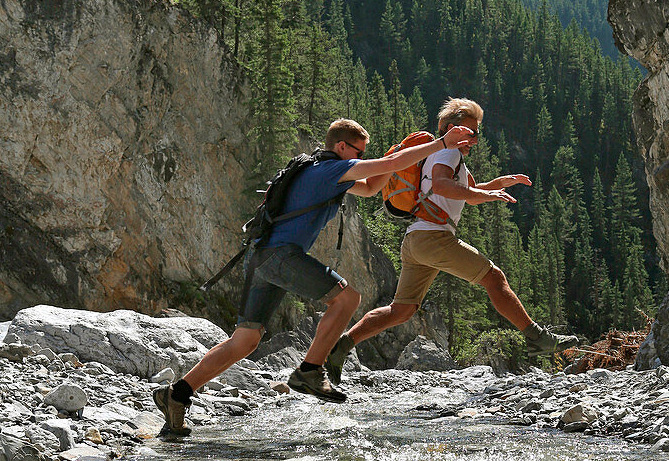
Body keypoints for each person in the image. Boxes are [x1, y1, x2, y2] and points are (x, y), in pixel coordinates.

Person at [153, 117, 475, 434]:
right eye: (358, 153)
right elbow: (380, 168)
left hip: (262, 256)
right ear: (340, 146)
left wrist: (396, 158)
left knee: (245, 340)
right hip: (281, 256)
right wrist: (440, 145)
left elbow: (374, 184)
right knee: (347, 298)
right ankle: (309, 370)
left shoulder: (320, 170)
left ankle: (177, 394)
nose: (361, 158)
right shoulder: (330, 169)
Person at [326, 97, 580, 383]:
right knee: (494, 279)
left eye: (477, 134)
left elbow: (466, 191)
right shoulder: (449, 154)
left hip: (416, 240)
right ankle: (538, 338)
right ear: (451, 129)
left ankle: (342, 345)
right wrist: (486, 195)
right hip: (434, 237)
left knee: (401, 310)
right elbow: (442, 186)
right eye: (469, 132)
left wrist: (499, 183)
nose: (473, 139)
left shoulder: (442, 155)